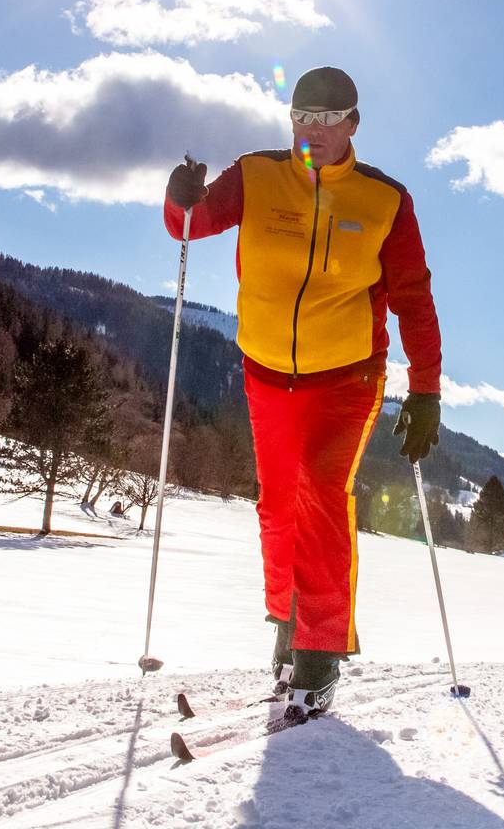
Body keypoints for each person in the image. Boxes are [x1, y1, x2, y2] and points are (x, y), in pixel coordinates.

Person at [163, 66, 442, 726]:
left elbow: (414, 298)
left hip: (348, 377)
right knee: (278, 505)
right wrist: (180, 196)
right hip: (266, 372)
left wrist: (425, 389)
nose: (312, 130)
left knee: (321, 490)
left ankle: (320, 653)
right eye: (301, 117)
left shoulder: (385, 201)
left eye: (326, 117)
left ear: (352, 123)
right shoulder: (256, 175)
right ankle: (288, 621)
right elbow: (189, 225)